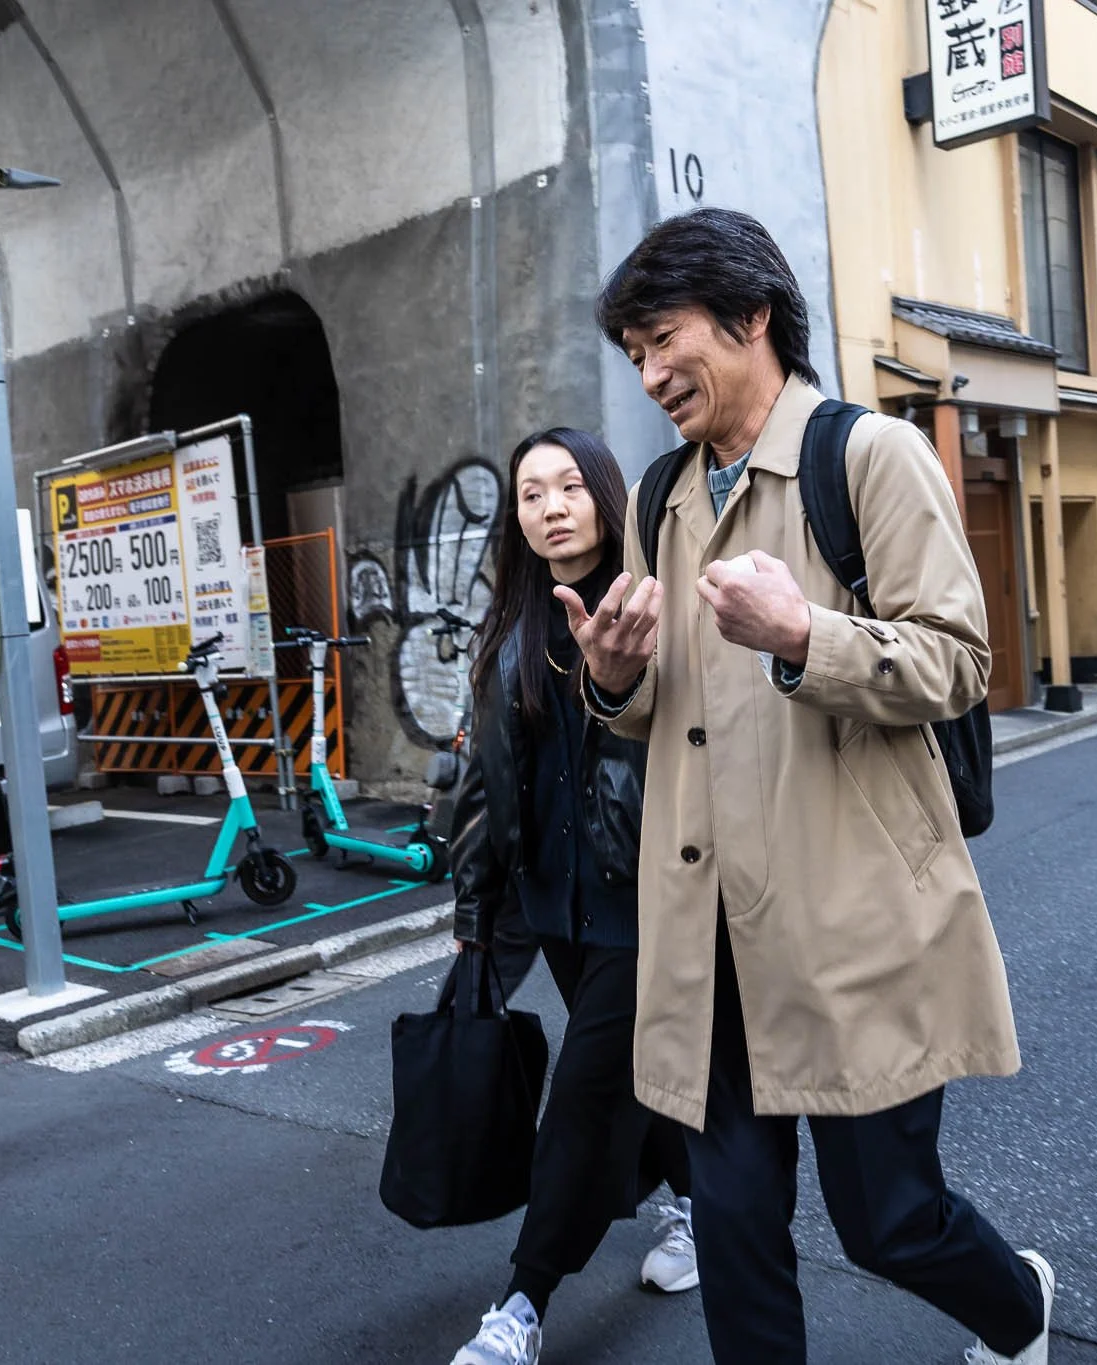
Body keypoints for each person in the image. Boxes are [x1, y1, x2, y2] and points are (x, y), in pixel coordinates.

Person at [564, 207, 1052, 1364]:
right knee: (733, 1229)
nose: (648, 374)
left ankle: (1017, 1310)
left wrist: (802, 635)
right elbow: (659, 704)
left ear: (749, 318)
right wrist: (611, 680)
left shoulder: (867, 456)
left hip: (851, 917)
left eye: (662, 339)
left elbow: (959, 663)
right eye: (632, 353)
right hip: (705, 933)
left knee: (889, 1223)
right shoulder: (658, 495)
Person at [445, 428, 696, 1365]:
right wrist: (475, 913)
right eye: (531, 494)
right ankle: (696, 1208)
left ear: (604, 494)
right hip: (554, 905)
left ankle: (522, 1302)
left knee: (584, 1097)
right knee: (636, 1075)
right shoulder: (510, 629)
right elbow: (483, 782)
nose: (551, 507)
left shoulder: (655, 603)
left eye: (569, 487)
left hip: (646, 899)